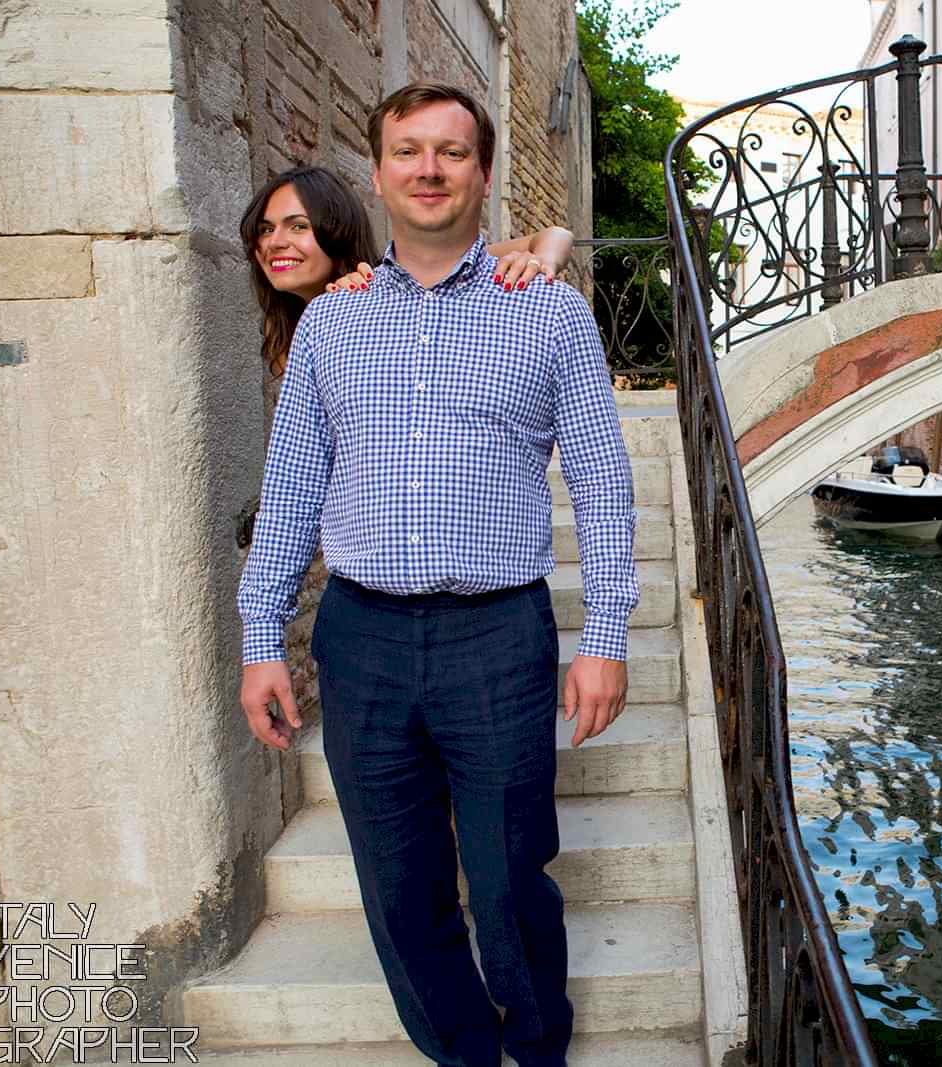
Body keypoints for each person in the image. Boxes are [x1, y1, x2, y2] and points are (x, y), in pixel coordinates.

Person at [235, 82, 637, 1067]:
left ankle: (537, 1046)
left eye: (450, 152)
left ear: (483, 173)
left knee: (507, 876)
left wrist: (606, 639)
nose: (427, 168)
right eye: (407, 151)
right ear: (377, 174)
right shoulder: (334, 322)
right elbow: (290, 491)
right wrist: (260, 640)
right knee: (398, 881)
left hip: (496, 635)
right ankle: (461, 1049)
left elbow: (603, 481)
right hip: (361, 637)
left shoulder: (545, 313)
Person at [240, 164, 575, 377]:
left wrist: (542, 263)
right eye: (266, 229)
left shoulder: (411, 284)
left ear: (337, 231)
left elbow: (555, 235)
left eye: (298, 227)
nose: (276, 242)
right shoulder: (283, 325)